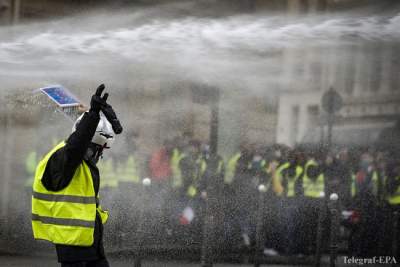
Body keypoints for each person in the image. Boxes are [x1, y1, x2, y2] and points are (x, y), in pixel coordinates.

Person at [31, 84, 123, 267]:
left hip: (90, 246)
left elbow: (80, 136)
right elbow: (77, 143)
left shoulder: (78, 162)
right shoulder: (64, 157)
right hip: (74, 248)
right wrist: (93, 114)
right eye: (98, 149)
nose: (99, 155)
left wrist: (92, 113)